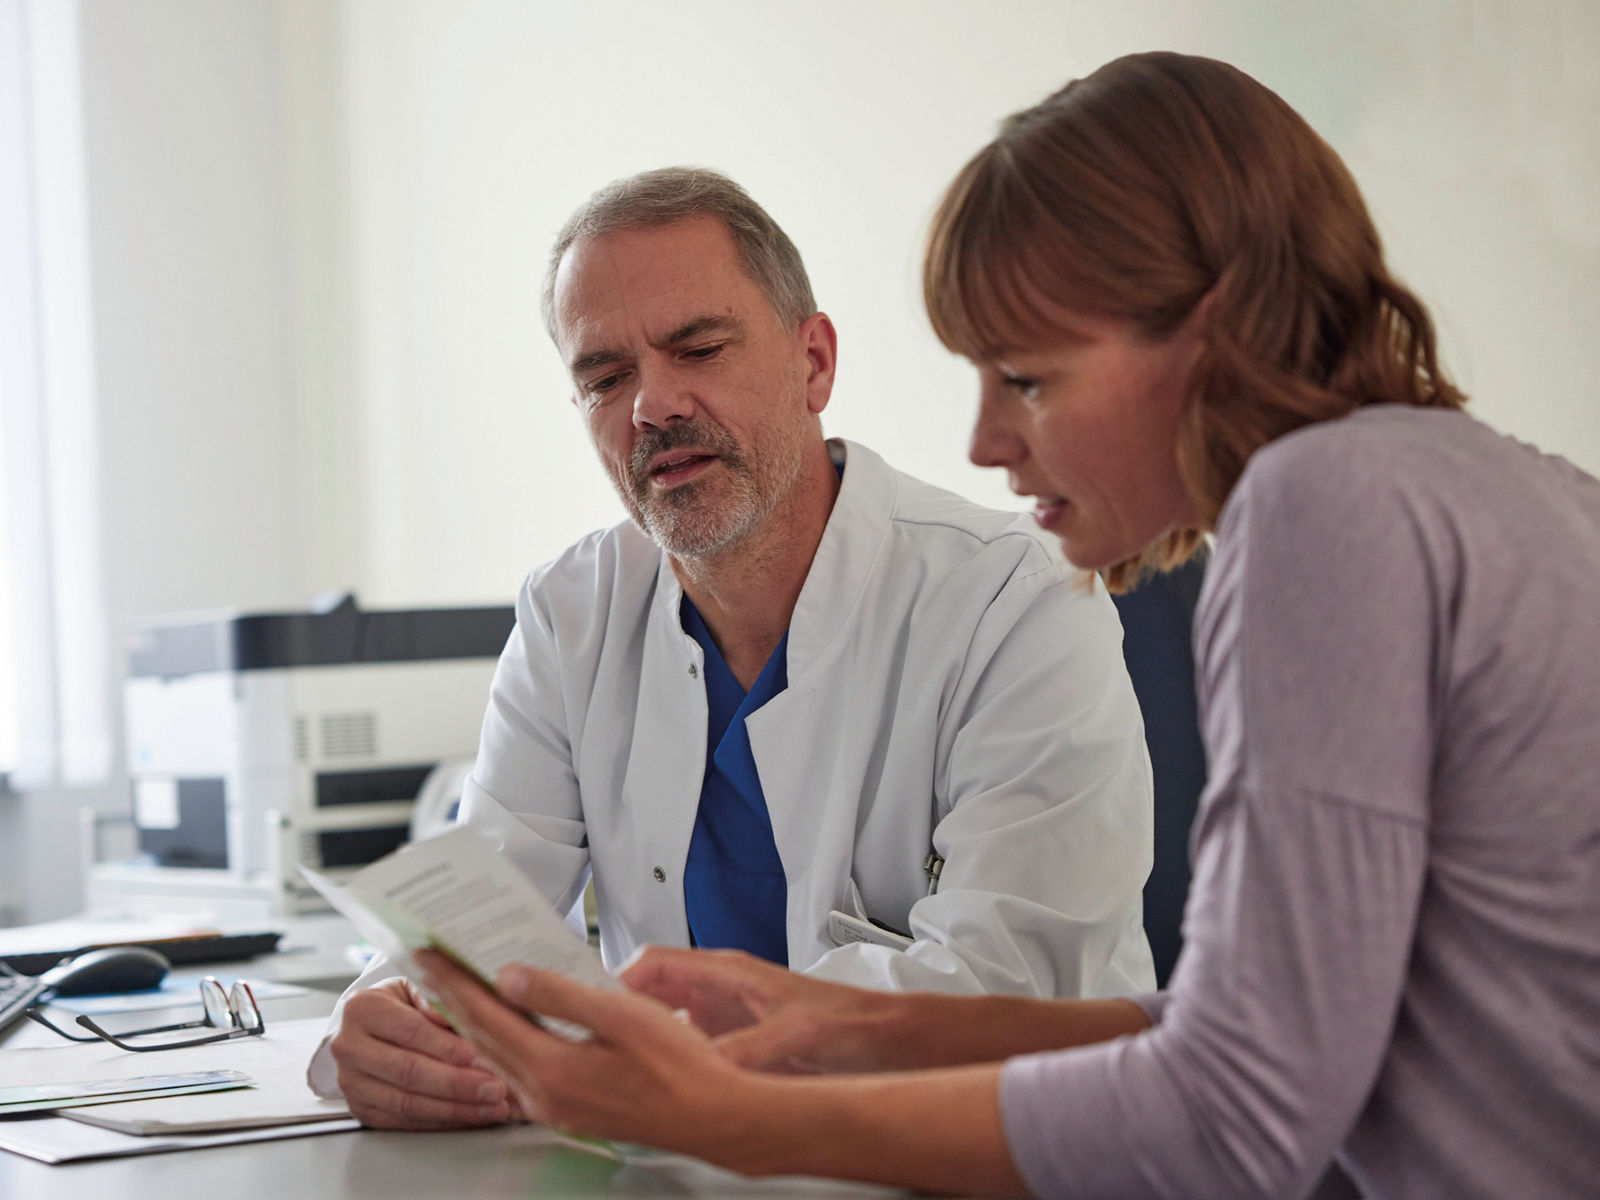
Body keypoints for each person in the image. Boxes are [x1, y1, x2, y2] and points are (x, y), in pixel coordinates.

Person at [416, 53, 1600, 1199]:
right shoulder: (1515, 489)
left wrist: (730, 1117)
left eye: (1026, 380)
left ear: (1212, 328)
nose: (984, 441)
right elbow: (1264, 1028)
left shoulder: (1318, 512)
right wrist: (849, 1021)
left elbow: (1237, 1115)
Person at [312, 168, 1160, 1128]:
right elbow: (476, 922)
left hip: (989, 1160)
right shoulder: (570, 614)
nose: (652, 404)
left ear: (814, 363)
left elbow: (1016, 990)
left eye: (698, 348)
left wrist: (668, 1060)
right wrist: (393, 1017)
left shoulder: (1016, 600)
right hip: (682, 1165)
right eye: (604, 376)